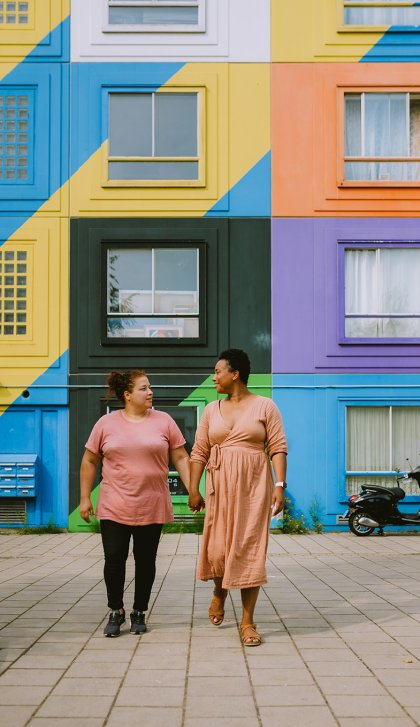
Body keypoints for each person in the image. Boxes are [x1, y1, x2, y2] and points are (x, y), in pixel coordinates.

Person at [79, 369, 190, 637]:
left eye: (150, 387)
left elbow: (181, 458)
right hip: (114, 503)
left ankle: (140, 611)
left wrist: (194, 490)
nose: (150, 392)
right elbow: (90, 461)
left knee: (146, 560)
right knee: (114, 558)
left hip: (151, 504)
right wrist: (84, 498)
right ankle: (115, 610)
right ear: (127, 395)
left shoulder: (164, 421)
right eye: (143, 388)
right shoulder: (106, 424)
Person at [188, 349, 287, 647]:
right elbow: (199, 451)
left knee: (248, 550)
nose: (213, 377)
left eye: (218, 371)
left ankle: (247, 622)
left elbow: (278, 447)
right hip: (220, 486)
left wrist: (279, 485)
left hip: (254, 487)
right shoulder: (211, 409)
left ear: (235, 374)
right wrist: (194, 489)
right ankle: (220, 591)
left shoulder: (265, 406)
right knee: (218, 550)